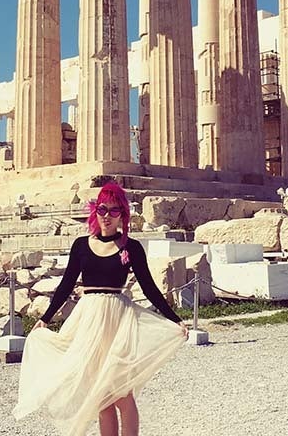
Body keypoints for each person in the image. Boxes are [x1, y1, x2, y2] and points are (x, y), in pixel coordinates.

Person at [13, 181, 188, 436]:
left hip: (117, 321)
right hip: (88, 319)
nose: (107, 216)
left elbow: (149, 287)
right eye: (103, 209)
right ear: (95, 211)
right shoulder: (81, 246)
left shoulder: (131, 247)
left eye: (114, 211)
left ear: (123, 215)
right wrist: (46, 319)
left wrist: (174, 319)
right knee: (100, 396)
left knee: (121, 394)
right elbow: (65, 285)